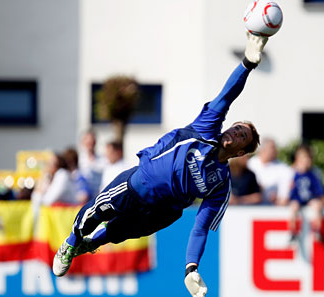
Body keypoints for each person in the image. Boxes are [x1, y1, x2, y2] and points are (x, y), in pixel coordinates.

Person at [52, 32, 268, 297]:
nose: (234, 132)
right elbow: (227, 94)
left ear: (241, 151)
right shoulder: (207, 128)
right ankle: (72, 243)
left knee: (120, 231)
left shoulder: (221, 185)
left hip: (164, 211)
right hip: (140, 183)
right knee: (98, 211)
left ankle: (89, 245)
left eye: (241, 135)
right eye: (236, 127)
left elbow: (200, 227)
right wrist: (247, 63)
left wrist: (192, 268)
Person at [287, 145, 324, 244]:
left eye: (308, 158)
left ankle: (317, 230)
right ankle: (293, 232)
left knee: (316, 206)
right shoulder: (292, 173)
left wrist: (322, 199)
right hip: (297, 198)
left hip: (310, 198)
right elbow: (289, 190)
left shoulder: (313, 173)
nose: (307, 161)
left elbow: (318, 190)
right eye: (304, 158)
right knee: (293, 207)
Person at [247, 137, 293, 205]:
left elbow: (285, 190)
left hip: (272, 208)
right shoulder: (250, 164)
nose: (275, 150)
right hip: (251, 207)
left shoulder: (283, 168)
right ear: (263, 150)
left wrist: (280, 197)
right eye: (272, 148)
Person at [78, 130, 106, 199]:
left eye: (92, 141)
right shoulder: (78, 159)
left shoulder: (103, 160)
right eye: (88, 141)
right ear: (83, 142)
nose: (90, 144)